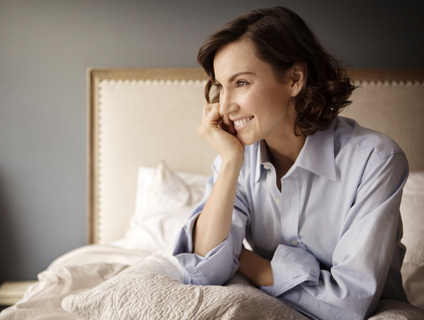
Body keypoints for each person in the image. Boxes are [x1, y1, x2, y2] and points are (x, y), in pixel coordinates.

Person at [172, 6, 408, 320]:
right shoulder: (238, 159)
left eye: (241, 83)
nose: (225, 107)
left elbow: (350, 305)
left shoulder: (375, 161)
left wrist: (246, 261)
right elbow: (202, 271)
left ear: (294, 79)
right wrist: (229, 163)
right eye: (220, 87)